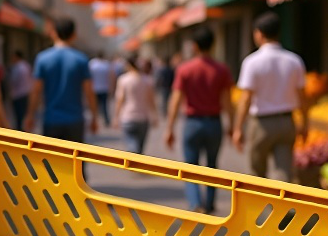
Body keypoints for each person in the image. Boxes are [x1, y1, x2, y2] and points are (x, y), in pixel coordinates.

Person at [164, 27, 233, 213]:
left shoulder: (184, 69)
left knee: (190, 166)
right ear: (213, 44)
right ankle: (209, 203)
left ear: (194, 46)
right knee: (212, 166)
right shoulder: (221, 70)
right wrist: (233, 125)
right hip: (214, 123)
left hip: (192, 123)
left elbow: (176, 100)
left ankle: (195, 203)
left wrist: (169, 128)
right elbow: (227, 101)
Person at [233, 11, 307, 182]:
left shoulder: (252, 62)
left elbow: (246, 99)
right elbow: (302, 97)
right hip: (286, 121)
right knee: (284, 173)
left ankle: (261, 199)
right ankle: (282, 200)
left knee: (257, 174)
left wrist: (238, 128)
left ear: (259, 33)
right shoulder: (294, 60)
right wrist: (305, 122)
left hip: (261, 123)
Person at [27, 17, 98, 142]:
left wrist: (30, 115)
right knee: (75, 155)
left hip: (51, 119)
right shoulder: (81, 59)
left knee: (51, 155)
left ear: (54, 33)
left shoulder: (42, 59)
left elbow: (36, 91)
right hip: (75, 120)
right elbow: (89, 92)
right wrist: (94, 117)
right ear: (74, 35)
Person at [113, 55, 158, 154]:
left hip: (128, 117)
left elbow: (120, 99)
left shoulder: (123, 79)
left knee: (131, 144)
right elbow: (151, 100)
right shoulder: (147, 79)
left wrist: (116, 116)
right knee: (140, 147)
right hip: (143, 118)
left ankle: (133, 156)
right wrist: (154, 115)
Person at [8, 49, 33, 130]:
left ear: (16, 56)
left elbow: (13, 81)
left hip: (18, 95)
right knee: (23, 115)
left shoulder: (17, 67)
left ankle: (20, 131)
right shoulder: (27, 66)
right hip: (26, 93)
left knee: (19, 116)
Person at [88, 50, 113, 126]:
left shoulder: (92, 63)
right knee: (104, 106)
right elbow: (110, 76)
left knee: (95, 106)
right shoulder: (106, 64)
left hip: (94, 88)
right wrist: (111, 87)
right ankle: (106, 120)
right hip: (104, 88)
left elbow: (89, 77)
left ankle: (94, 120)